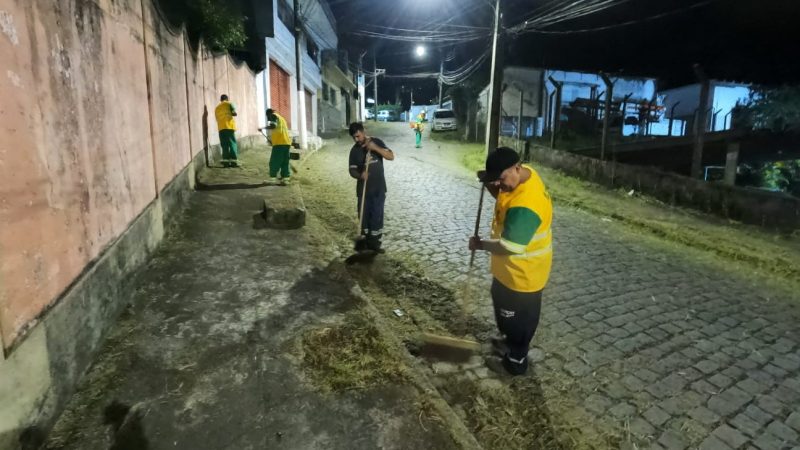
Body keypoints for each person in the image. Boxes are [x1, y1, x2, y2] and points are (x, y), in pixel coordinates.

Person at [468, 147, 553, 376]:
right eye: (495, 180)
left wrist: (481, 244)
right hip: (507, 271)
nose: (499, 185)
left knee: (517, 321)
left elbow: (510, 247)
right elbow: (503, 195)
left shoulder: (527, 205)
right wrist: (490, 182)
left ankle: (516, 360)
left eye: (501, 179)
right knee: (502, 307)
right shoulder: (524, 175)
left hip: (522, 276)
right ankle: (508, 341)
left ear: (516, 168)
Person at [348, 122, 394, 253]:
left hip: (379, 190)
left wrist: (375, 148)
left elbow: (391, 156)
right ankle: (365, 244)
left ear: (363, 131)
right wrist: (360, 175)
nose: (356, 139)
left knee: (377, 217)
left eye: (358, 136)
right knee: (364, 218)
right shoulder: (354, 151)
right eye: (354, 137)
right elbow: (351, 170)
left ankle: (375, 244)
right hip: (363, 191)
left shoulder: (377, 142)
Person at [265, 108, 293, 184]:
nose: (268, 119)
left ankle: (272, 179)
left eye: (267, 116)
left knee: (274, 161)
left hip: (279, 143)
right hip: (286, 142)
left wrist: (263, 128)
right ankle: (285, 179)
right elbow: (279, 130)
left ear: (268, 114)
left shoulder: (273, 116)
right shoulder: (282, 119)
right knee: (284, 161)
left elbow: (273, 126)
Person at [214, 95, 239, 167]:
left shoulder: (217, 108)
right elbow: (234, 113)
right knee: (232, 144)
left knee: (224, 145)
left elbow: (217, 118)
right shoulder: (229, 104)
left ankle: (226, 163)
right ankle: (234, 162)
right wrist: (233, 113)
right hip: (229, 127)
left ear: (220, 100)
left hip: (221, 128)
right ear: (227, 99)